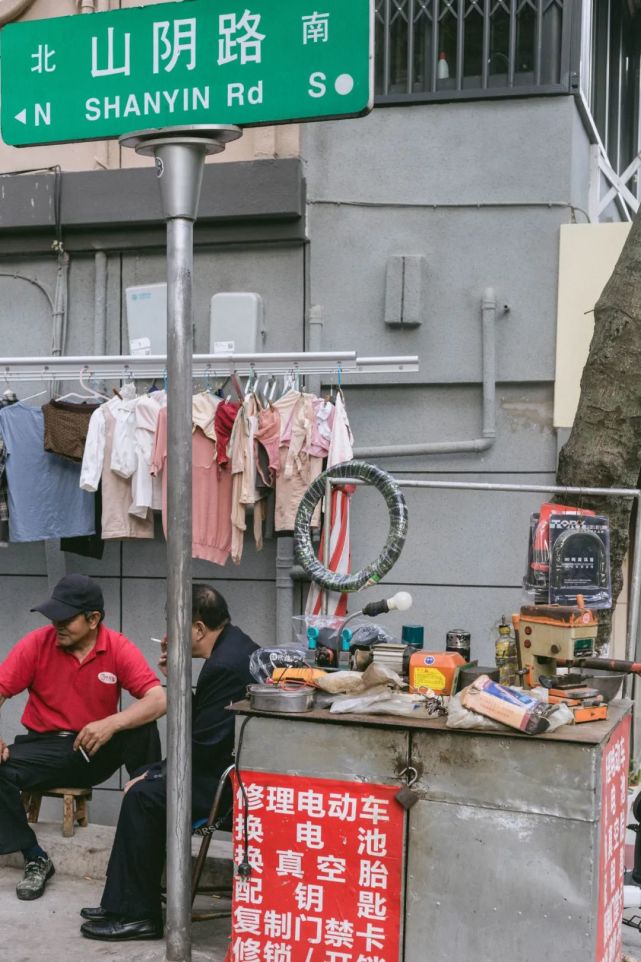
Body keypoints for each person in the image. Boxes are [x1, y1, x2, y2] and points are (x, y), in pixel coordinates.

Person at [79, 583, 258, 942]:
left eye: (173, 623)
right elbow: (206, 729)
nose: (166, 633)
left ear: (197, 629)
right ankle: (122, 900)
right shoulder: (234, 647)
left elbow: (202, 745)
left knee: (143, 797)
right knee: (145, 785)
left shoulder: (224, 665)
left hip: (229, 786)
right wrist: (176, 677)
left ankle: (138, 915)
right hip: (224, 771)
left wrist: (154, 773)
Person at [0, 573, 166, 901]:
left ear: (93, 619)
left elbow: (159, 699)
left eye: (65, 618)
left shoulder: (116, 647)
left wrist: (110, 724)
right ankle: (35, 857)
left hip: (96, 749)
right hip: (45, 747)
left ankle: (148, 838)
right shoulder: (37, 643)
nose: (56, 625)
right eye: (53, 617)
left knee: (143, 727)